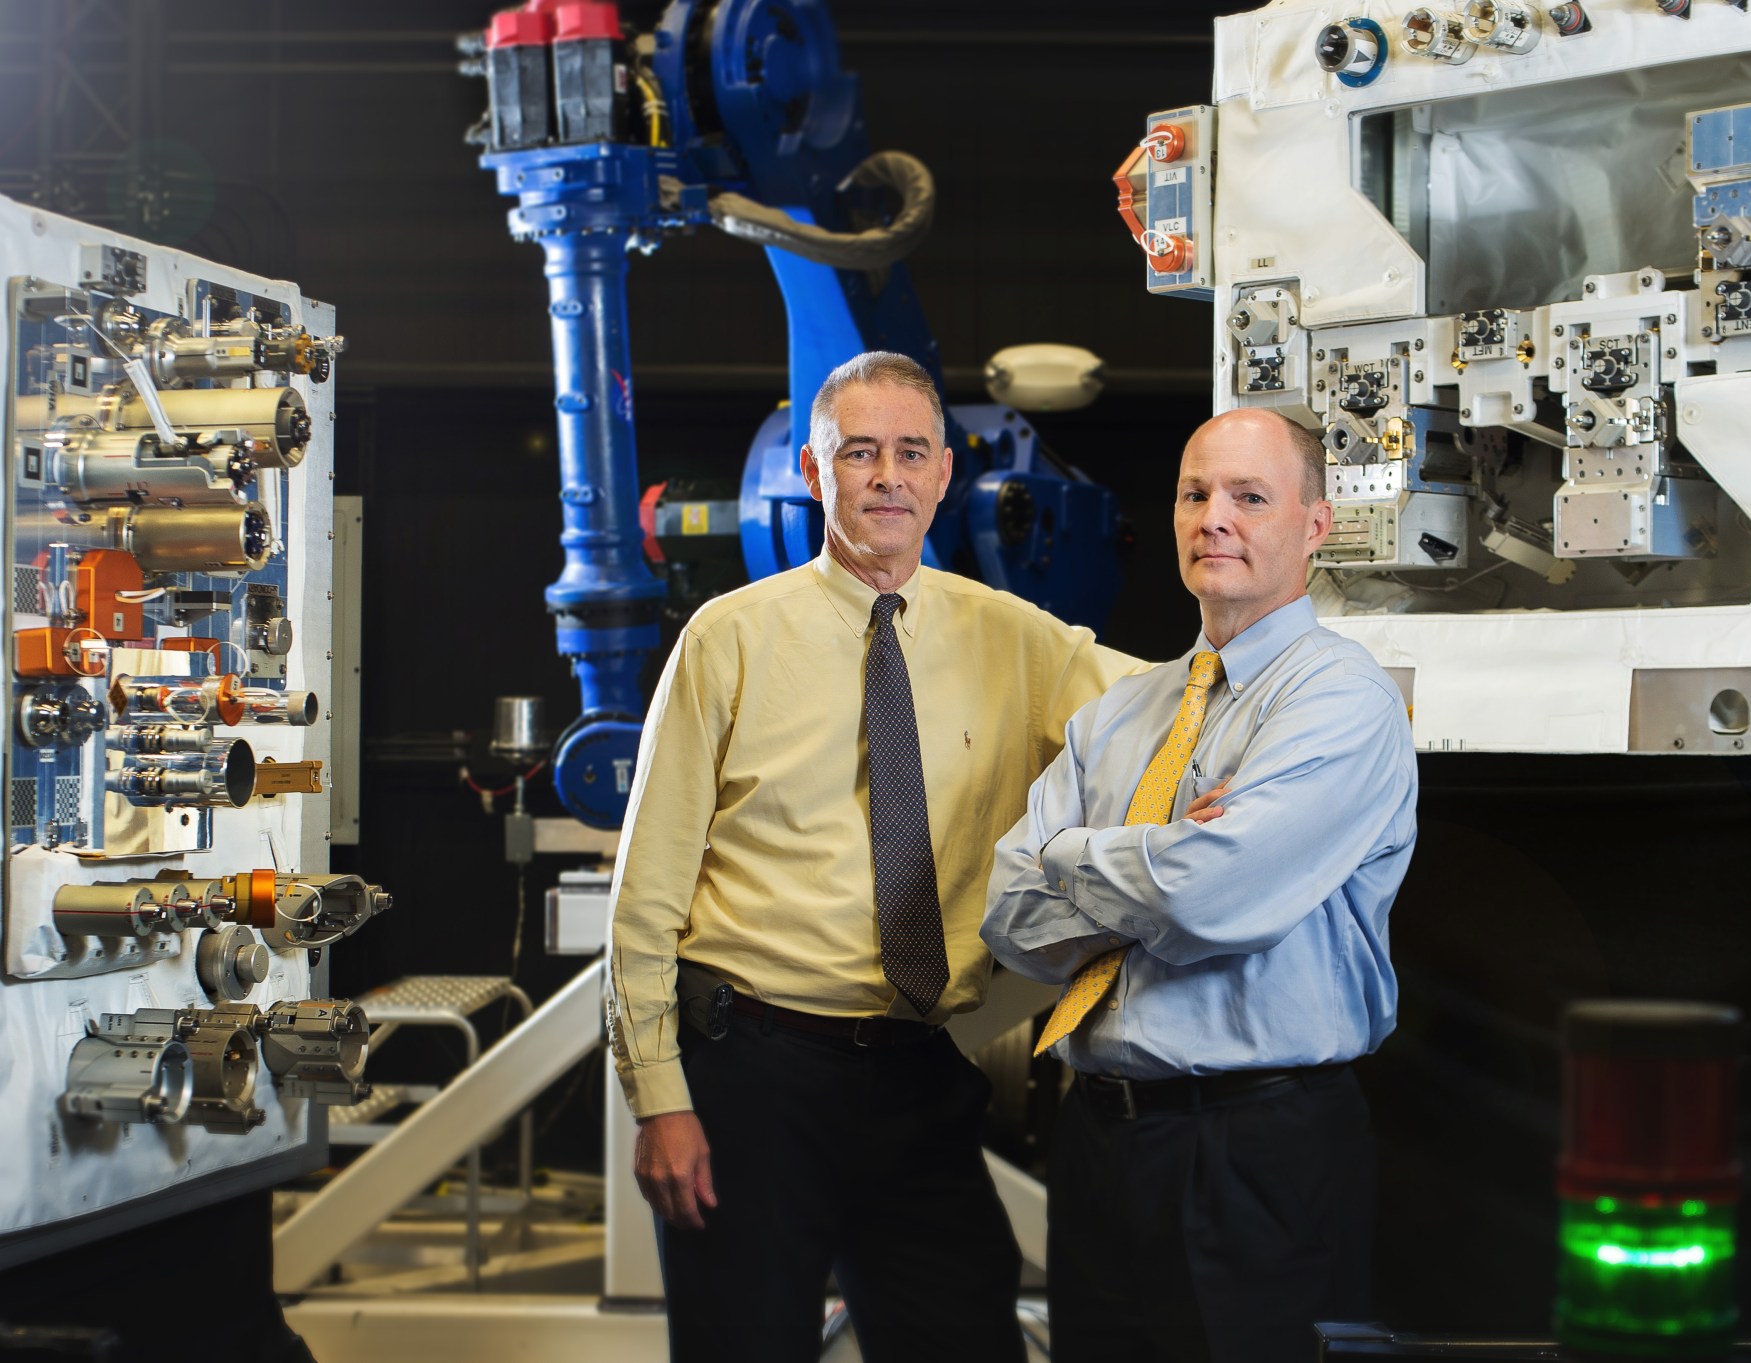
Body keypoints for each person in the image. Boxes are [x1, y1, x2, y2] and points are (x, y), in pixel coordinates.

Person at [605, 350, 1140, 1361]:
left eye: (909, 452)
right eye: (858, 452)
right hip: (751, 1075)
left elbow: (1155, 714)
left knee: (960, 1337)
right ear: (814, 474)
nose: (886, 476)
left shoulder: (1013, 640)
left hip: (916, 1073)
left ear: (944, 472)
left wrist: (1294, 706)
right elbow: (645, 897)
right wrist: (660, 1100)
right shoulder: (727, 641)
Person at [982, 407, 1418, 1363]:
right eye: (1194, 493)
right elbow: (1009, 913)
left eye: (1249, 496)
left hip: (1257, 1149)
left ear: (1314, 524)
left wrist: (1078, 854)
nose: (1213, 516)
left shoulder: (1343, 701)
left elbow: (1205, 897)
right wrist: (1157, 853)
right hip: (1101, 1142)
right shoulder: (1119, 711)